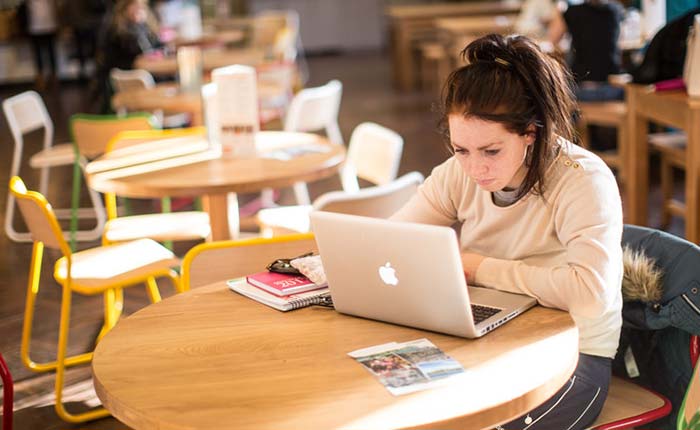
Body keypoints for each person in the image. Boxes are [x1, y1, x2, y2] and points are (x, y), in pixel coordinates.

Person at [391, 34, 623, 430]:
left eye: (491, 151)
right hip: (490, 337)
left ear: (530, 133)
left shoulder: (582, 180)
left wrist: (481, 268)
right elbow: (393, 243)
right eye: (460, 149)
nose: (474, 167)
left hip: (573, 354)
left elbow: (590, 296)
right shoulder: (457, 174)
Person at [94, 0, 163, 112]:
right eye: (134, 6)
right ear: (125, 8)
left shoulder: (142, 25)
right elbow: (138, 51)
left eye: (141, 7)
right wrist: (140, 25)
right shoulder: (119, 29)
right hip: (128, 79)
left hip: (140, 75)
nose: (138, 10)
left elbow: (155, 44)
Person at [26, 0, 59, 89]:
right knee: (38, 54)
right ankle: (41, 78)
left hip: (48, 24)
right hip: (36, 26)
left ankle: (53, 77)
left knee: (50, 52)